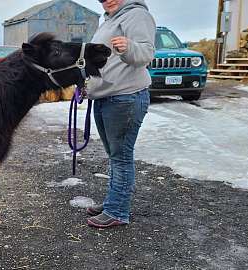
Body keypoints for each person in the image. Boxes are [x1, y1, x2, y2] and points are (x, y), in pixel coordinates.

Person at [85, 0, 156, 228]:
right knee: (114, 155)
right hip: (106, 97)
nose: (107, 0)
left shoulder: (136, 15)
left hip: (125, 97)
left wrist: (129, 47)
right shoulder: (108, 20)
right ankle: (113, 201)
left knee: (121, 157)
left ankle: (117, 211)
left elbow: (146, 53)